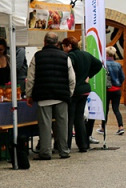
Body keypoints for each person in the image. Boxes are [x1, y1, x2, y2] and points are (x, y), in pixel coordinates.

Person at [27, 32, 75, 160]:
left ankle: (45, 152)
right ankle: (64, 150)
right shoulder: (65, 57)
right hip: (61, 95)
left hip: (43, 96)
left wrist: (29, 95)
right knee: (62, 124)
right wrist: (68, 93)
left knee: (45, 125)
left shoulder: (37, 56)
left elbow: (31, 78)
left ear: (44, 42)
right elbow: (72, 79)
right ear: (57, 43)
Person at [61, 36, 103, 152]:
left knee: (69, 118)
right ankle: (83, 145)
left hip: (74, 90)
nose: (63, 49)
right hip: (85, 90)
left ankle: (67, 145)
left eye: (64, 46)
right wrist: (89, 75)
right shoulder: (86, 54)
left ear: (69, 46)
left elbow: (68, 72)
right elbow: (99, 64)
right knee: (79, 118)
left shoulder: (70, 57)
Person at [99, 46, 125, 136]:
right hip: (116, 90)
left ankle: (103, 127)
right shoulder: (118, 65)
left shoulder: (104, 65)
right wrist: (119, 84)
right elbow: (122, 77)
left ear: (106, 54)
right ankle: (120, 127)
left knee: (105, 109)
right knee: (116, 109)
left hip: (107, 89)